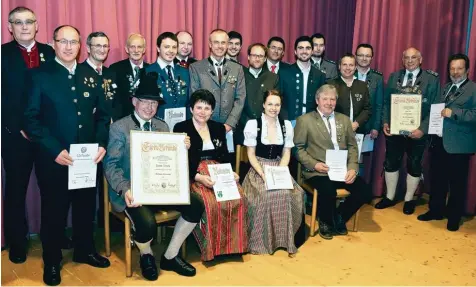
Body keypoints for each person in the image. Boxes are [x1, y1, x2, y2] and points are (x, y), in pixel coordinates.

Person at [24, 25, 111, 286]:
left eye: (74, 42)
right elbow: (31, 119)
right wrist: (54, 149)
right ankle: (52, 260)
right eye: (63, 41)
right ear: (53, 43)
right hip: (55, 159)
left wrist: (101, 144)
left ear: (81, 45)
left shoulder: (91, 75)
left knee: (86, 208)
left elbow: (104, 116)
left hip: (87, 158)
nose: (69, 47)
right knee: (55, 212)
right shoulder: (39, 76)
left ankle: (85, 250)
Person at [104, 72, 201, 280]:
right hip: (131, 191)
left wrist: (182, 149)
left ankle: (170, 255)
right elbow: (111, 165)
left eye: (154, 103)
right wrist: (125, 188)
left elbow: (169, 162)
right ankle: (146, 254)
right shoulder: (119, 128)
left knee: (196, 204)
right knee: (147, 224)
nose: (149, 107)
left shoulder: (162, 126)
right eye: (144, 102)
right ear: (134, 102)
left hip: (160, 189)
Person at [1, 6, 57, 264]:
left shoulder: (50, 53)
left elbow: (58, 96)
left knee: (52, 190)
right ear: (10, 27)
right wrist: (17, 126)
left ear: (37, 25)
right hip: (14, 137)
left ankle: (52, 236)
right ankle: (17, 242)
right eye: (18, 22)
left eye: (29, 22)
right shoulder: (2, 56)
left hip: (46, 137)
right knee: (15, 191)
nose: (24, 27)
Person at [173, 89, 248, 261]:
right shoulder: (181, 128)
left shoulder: (218, 128)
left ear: (212, 111)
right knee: (210, 202)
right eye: (199, 107)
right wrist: (198, 177)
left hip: (217, 171)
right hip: (193, 173)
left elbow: (224, 156)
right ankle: (211, 248)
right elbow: (178, 160)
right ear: (191, 109)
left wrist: (231, 173)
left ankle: (232, 247)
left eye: (207, 108)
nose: (203, 112)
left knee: (239, 197)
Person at [294, 84, 372, 240]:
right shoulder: (305, 120)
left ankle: (339, 217)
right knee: (327, 189)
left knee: (364, 190)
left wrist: (352, 168)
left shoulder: (344, 120)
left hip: (341, 169)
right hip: (317, 170)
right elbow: (298, 149)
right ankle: (326, 221)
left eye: (332, 99)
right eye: (325, 99)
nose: (329, 103)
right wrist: (314, 164)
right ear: (317, 100)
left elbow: (352, 147)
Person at [377, 47, 440, 215]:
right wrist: (385, 123)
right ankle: (389, 197)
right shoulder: (393, 77)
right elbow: (386, 103)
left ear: (420, 60)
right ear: (402, 60)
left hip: (417, 132)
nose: (410, 61)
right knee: (391, 162)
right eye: (406, 58)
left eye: (413, 58)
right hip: (395, 131)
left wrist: (423, 129)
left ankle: (409, 199)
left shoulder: (431, 79)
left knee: (414, 164)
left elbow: (435, 108)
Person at [242, 89, 304, 255]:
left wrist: (281, 171)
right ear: (263, 105)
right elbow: (250, 155)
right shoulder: (253, 125)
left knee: (291, 194)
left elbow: (286, 153)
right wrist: (263, 174)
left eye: (277, 104)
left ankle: (284, 240)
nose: (273, 108)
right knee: (264, 195)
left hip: (278, 167)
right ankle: (261, 242)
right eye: (270, 104)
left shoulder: (286, 126)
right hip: (259, 169)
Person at [418, 54, 476, 231]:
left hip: (459, 146)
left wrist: (455, 113)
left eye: (459, 68)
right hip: (439, 143)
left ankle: (454, 217)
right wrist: (422, 129)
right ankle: (435, 210)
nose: (455, 72)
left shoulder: (473, 89)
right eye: (452, 68)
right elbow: (435, 111)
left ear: (467, 69)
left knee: (457, 184)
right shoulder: (445, 88)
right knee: (437, 180)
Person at [189, 29, 246, 133]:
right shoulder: (196, 68)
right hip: (203, 125)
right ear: (210, 44)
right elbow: (194, 97)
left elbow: (240, 99)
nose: (220, 46)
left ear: (227, 45)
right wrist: (206, 123)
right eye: (216, 42)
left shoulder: (237, 69)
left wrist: (229, 124)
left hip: (228, 128)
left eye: (223, 43)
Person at [235, 43, 278, 145]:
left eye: (261, 56)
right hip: (242, 125)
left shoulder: (272, 78)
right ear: (249, 57)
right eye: (254, 55)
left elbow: (275, 103)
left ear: (265, 58)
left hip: (265, 128)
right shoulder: (239, 75)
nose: (257, 59)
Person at [278, 35, 326, 123]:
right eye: (301, 48)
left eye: (308, 48)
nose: (304, 51)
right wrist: (285, 120)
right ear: (295, 51)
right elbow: (278, 98)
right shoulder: (284, 73)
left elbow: (322, 101)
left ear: (312, 51)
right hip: (289, 120)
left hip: (312, 121)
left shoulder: (319, 75)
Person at [146, 32, 190, 124]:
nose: (171, 51)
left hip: (181, 127)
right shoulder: (147, 72)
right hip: (157, 127)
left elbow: (189, 102)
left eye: (174, 47)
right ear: (158, 48)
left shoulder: (185, 72)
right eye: (166, 47)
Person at [327, 53, 371, 133]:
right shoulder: (330, 85)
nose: (348, 68)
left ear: (355, 67)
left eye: (351, 65)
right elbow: (326, 107)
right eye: (344, 65)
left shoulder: (362, 86)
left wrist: (356, 123)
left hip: (358, 131)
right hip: (335, 130)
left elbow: (367, 109)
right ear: (339, 67)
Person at [110, 33, 149, 120]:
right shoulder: (115, 69)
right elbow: (112, 99)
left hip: (146, 120)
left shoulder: (151, 70)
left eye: (139, 47)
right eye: (132, 47)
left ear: (144, 49)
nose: (136, 50)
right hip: (122, 120)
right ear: (127, 49)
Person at [355, 43, 384, 138]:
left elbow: (379, 105)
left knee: (365, 153)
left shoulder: (377, 78)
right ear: (355, 56)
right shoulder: (348, 73)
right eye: (361, 55)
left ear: (372, 58)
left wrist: (376, 127)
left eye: (367, 56)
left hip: (368, 126)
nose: (364, 58)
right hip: (349, 124)